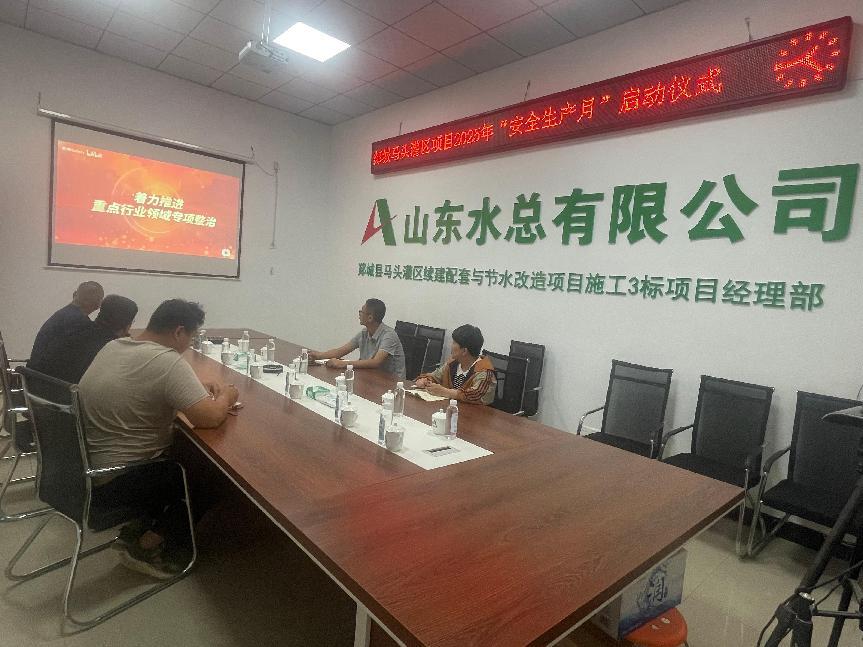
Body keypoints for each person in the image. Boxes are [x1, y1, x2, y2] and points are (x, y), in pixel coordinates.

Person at [79, 299, 239, 579]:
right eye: (191, 337)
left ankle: (142, 526)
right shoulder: (167, 361)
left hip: (84, 469)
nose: (188, 345)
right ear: (178, 331)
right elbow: (211, 417)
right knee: (217, 475)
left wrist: (190, 388)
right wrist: (227, 396)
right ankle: (148, 546)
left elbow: (142, 385)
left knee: (185, 450)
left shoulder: (114, 346)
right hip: (118, 479)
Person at [27, 294, 138, 384]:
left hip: (34, 390)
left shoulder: (75, 328)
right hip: (66, 399)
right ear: (127, 325)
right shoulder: (112, 347)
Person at [308, 298, 406, 379]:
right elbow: (341, 351)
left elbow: (375, 362)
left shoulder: (389, 335)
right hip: (370, 376)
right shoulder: (364, 333)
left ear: (370, 318)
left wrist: (343, 364)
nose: (359, 314)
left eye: (361, 311)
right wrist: (319, 355)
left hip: (391, 382)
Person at [415, 324, 496, 405]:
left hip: (472, 412)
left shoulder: (484, 370)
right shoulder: (452, 363)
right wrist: (425, 380)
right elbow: (435, 376)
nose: (451, 346)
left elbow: (477, 395)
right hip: (449, 408)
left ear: (464, 351)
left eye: (454, 343)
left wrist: (445, 392)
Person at [29, 281, 104, 365]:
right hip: (48, 373)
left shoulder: (61, 315)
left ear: (74, 294)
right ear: (98, 304)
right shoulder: (82, 323)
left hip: (35, 370)